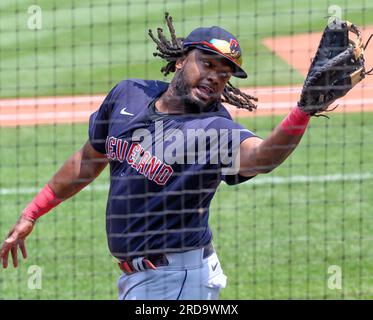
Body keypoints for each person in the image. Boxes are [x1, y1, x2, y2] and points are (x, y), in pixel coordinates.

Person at [0, 13, 320, 300]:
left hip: (176, 279)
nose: (215, 77)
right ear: (181, 60)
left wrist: (302, 112)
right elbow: (89, 159)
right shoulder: (129, 94)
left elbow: (262, 156)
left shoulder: (215, 128)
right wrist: (33, 212)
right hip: (147, 278)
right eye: (207, 64)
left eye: (224, 74)